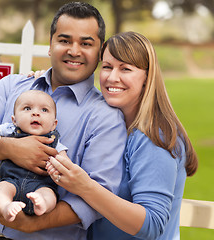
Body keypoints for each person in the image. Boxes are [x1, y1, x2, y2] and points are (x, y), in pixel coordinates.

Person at [0, 2, 127, 240]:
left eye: (86, 43)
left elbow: (98, 197)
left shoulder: (106, 117)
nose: (74, 51)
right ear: (50, 45)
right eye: (64, 41)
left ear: (99, 52)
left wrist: (32, 224)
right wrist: (11, 148)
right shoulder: (11, 87)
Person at [46, 31, 198, 240]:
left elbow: (152, 224)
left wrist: (85, 187)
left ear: (147, 77)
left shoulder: (153, 137)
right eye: (107, 66)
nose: (112, 77)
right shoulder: (109, 126)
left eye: (125, 69)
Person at [0, 90, 68, 222]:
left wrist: (60, 167)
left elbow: (65, 163)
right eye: (27, 108)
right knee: (1, 191)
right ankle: (6, 207)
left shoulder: (54, 141)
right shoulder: (9, 130)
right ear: (14, 120)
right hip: (11, 181)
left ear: (54, 124)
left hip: (41, 185)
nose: (35, 113)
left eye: (44, 110)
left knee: (50, 195)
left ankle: (42, 204)